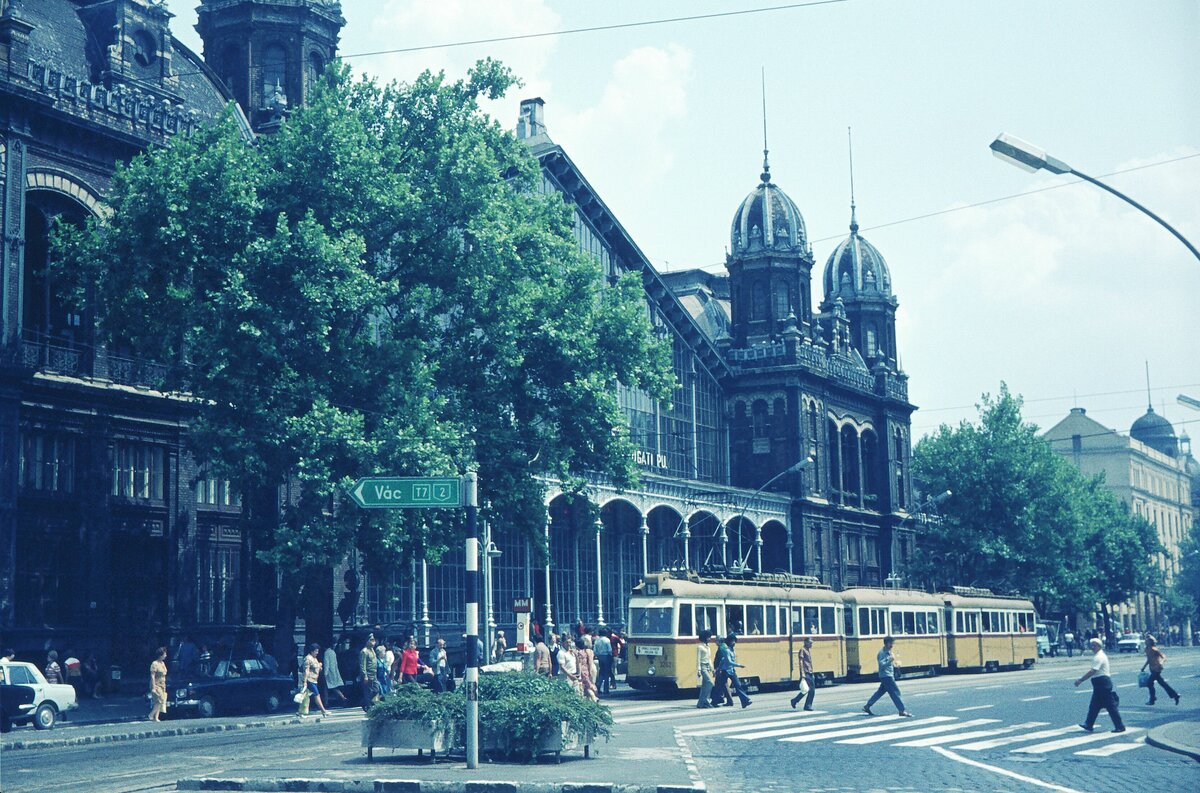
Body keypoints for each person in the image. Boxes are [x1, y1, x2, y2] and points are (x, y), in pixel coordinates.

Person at [1075, 637, 1125, 733]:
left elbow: (1093, 671)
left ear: (1098, 646)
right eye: (1091, 645)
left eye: (1093, 645)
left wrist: (1081, 680)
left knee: (1111, 706)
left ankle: (1120, 726)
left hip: (1102, 683)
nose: (1091, 647)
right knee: (1094, 705)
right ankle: (1089, 724)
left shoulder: (1099, 657)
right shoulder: (1099, 655)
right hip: (1100, 684)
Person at [863, 637, 912, 717]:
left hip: (887, 675)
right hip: (886, 676)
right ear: (886, 643)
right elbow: (881, 664)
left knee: (880, 692)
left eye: (892, 643)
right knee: (895, 693)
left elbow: (888, 663)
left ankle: (867, 706)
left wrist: (895, 664)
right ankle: (902, 710)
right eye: (891, 643)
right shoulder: (882, 653)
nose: (892, 645)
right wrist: (890, 659)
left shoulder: (888, 652)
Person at [1141, 636, 1180, 706]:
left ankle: (1152, 699)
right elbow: (1149, 659)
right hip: (1152, 669)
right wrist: (1143, 667)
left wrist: (1161, 662)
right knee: (1162, 683)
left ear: (1150, 642)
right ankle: (1175, 695)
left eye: (1147, 640)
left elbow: (1163, 657)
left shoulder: (1154, 649)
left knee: (1149, 683)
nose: (1145, 641)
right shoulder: (1146, 649)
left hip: (1157, 668)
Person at [716, 633, 752, 708]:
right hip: (725, 671)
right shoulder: (727, 651)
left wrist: (719, 667)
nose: (734, 642)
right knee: (723, 686)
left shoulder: (732, 651)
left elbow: (723, 660)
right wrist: (739, 665)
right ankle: (721, 700)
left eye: (734, 641)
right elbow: (728, 661)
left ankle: (745, 701)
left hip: (731, 670)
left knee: (738, 685)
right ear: (729, 642)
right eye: (732, 641)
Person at [298, 643, 329, 717]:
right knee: (317, 695)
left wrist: (320, 666)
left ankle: (300, 712)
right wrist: (305, 682)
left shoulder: (314, 658)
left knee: (305, 697)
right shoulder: (308, 659)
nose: (317, 653)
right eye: (316, 651)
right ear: (312, 651)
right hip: (309, 680)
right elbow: (306, 670)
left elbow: (316, 668)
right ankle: (323, 711)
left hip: (314, 680)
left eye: (317, 651)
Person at [790, 637, 816, 710]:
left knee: (808, 690)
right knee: (811, 690)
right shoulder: (802, 650)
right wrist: (802, 674)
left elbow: (809, 663)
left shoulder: (807, 650)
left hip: (809, 672)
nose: (811, 644)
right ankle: (807, 705)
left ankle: (795, 700)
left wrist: (812, 672)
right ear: (805, 642)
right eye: (810, 643)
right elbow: (801, 662)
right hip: (806, 672)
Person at [710, 635, 734, 707]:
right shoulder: (725, 646)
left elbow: (720, 660)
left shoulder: (721, 648)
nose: (715, 642)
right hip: (724, 668)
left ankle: (719, 700)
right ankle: (720, 699)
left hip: (721, 669)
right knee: (722, 684)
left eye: (716, 641)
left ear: (719, 641)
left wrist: (718, 669)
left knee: (720, 684)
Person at [359, 634, 380, 712]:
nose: (373, 642)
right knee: (368, 691)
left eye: (374, 640)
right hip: (368, 674)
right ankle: (368, 706)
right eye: (371, 640)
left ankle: (364, 702)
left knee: (376, 689)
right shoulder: (364, 651)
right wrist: (365, 675)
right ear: (367, 641)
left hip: (374, 673)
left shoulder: (372, 650)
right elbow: (362, 664)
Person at [696, 629, 715, 709]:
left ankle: (702, 703)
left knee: (705, 686)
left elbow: (709, 659)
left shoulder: (708, 647)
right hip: (703, 667)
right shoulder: (700, 647)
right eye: (708, 637)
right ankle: (704, 701)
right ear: (704, 638)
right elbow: (698, 659)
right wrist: (699, 670)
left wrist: (712, 669)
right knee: (710, 683)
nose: (710, 639)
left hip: (707, 667)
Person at [148, 647, 168, 722]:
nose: (165, 655)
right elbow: (152, 676)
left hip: (163, 685)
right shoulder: (154, 663)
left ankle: (156, 717)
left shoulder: (162, 663)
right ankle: (151, 715)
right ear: (161, 655)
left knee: (159, 701)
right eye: (164, 654)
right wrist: (153, 687)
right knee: (160, 700)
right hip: (156, 684)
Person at [577, 635, 598, 702]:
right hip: (592, 668)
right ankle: (590, 700)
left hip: (586, 668)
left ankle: (594, 697)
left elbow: (586, 662)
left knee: (587, 686)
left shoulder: (583, 652)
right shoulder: (591, 651)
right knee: (590, 683)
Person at [594, 628, 614, 696]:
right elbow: (609, 650)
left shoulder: (597, 640)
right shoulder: (607, 640)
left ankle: (598, 687)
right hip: (606, 656)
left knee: (601, 672)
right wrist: (611, 656)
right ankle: (606, 689)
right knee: (607, 673)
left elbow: (595, 650)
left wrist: (598, 655)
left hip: (600, 656)